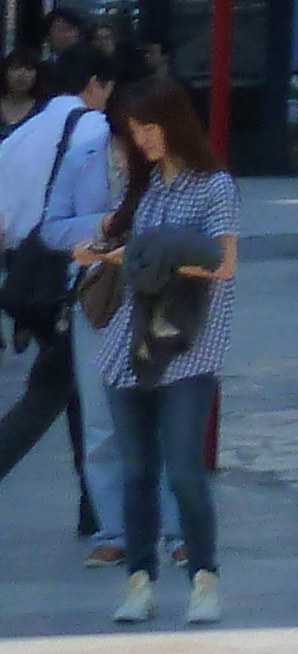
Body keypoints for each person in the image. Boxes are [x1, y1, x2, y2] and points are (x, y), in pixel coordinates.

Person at [79, 77, 232, 629]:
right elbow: (129, 254)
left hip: (187, 349)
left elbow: (223, 265)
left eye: (149, 127)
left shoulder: (214, 186)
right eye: (133, 131)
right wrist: (105, 254)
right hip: (127, 347)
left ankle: (204, 580)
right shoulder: (140, 191)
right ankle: (139, 582)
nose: (141, 140)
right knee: (138, 471)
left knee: (185, 470)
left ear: (175, 124)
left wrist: (151, 259)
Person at [0, 55, 115, 557]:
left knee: (67, 393)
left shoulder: (25, 132)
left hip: (31, 278)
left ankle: (98, 511)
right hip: (74, 281)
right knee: (61, 397)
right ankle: (102, 513)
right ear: (95, 84)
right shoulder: (94, 130)